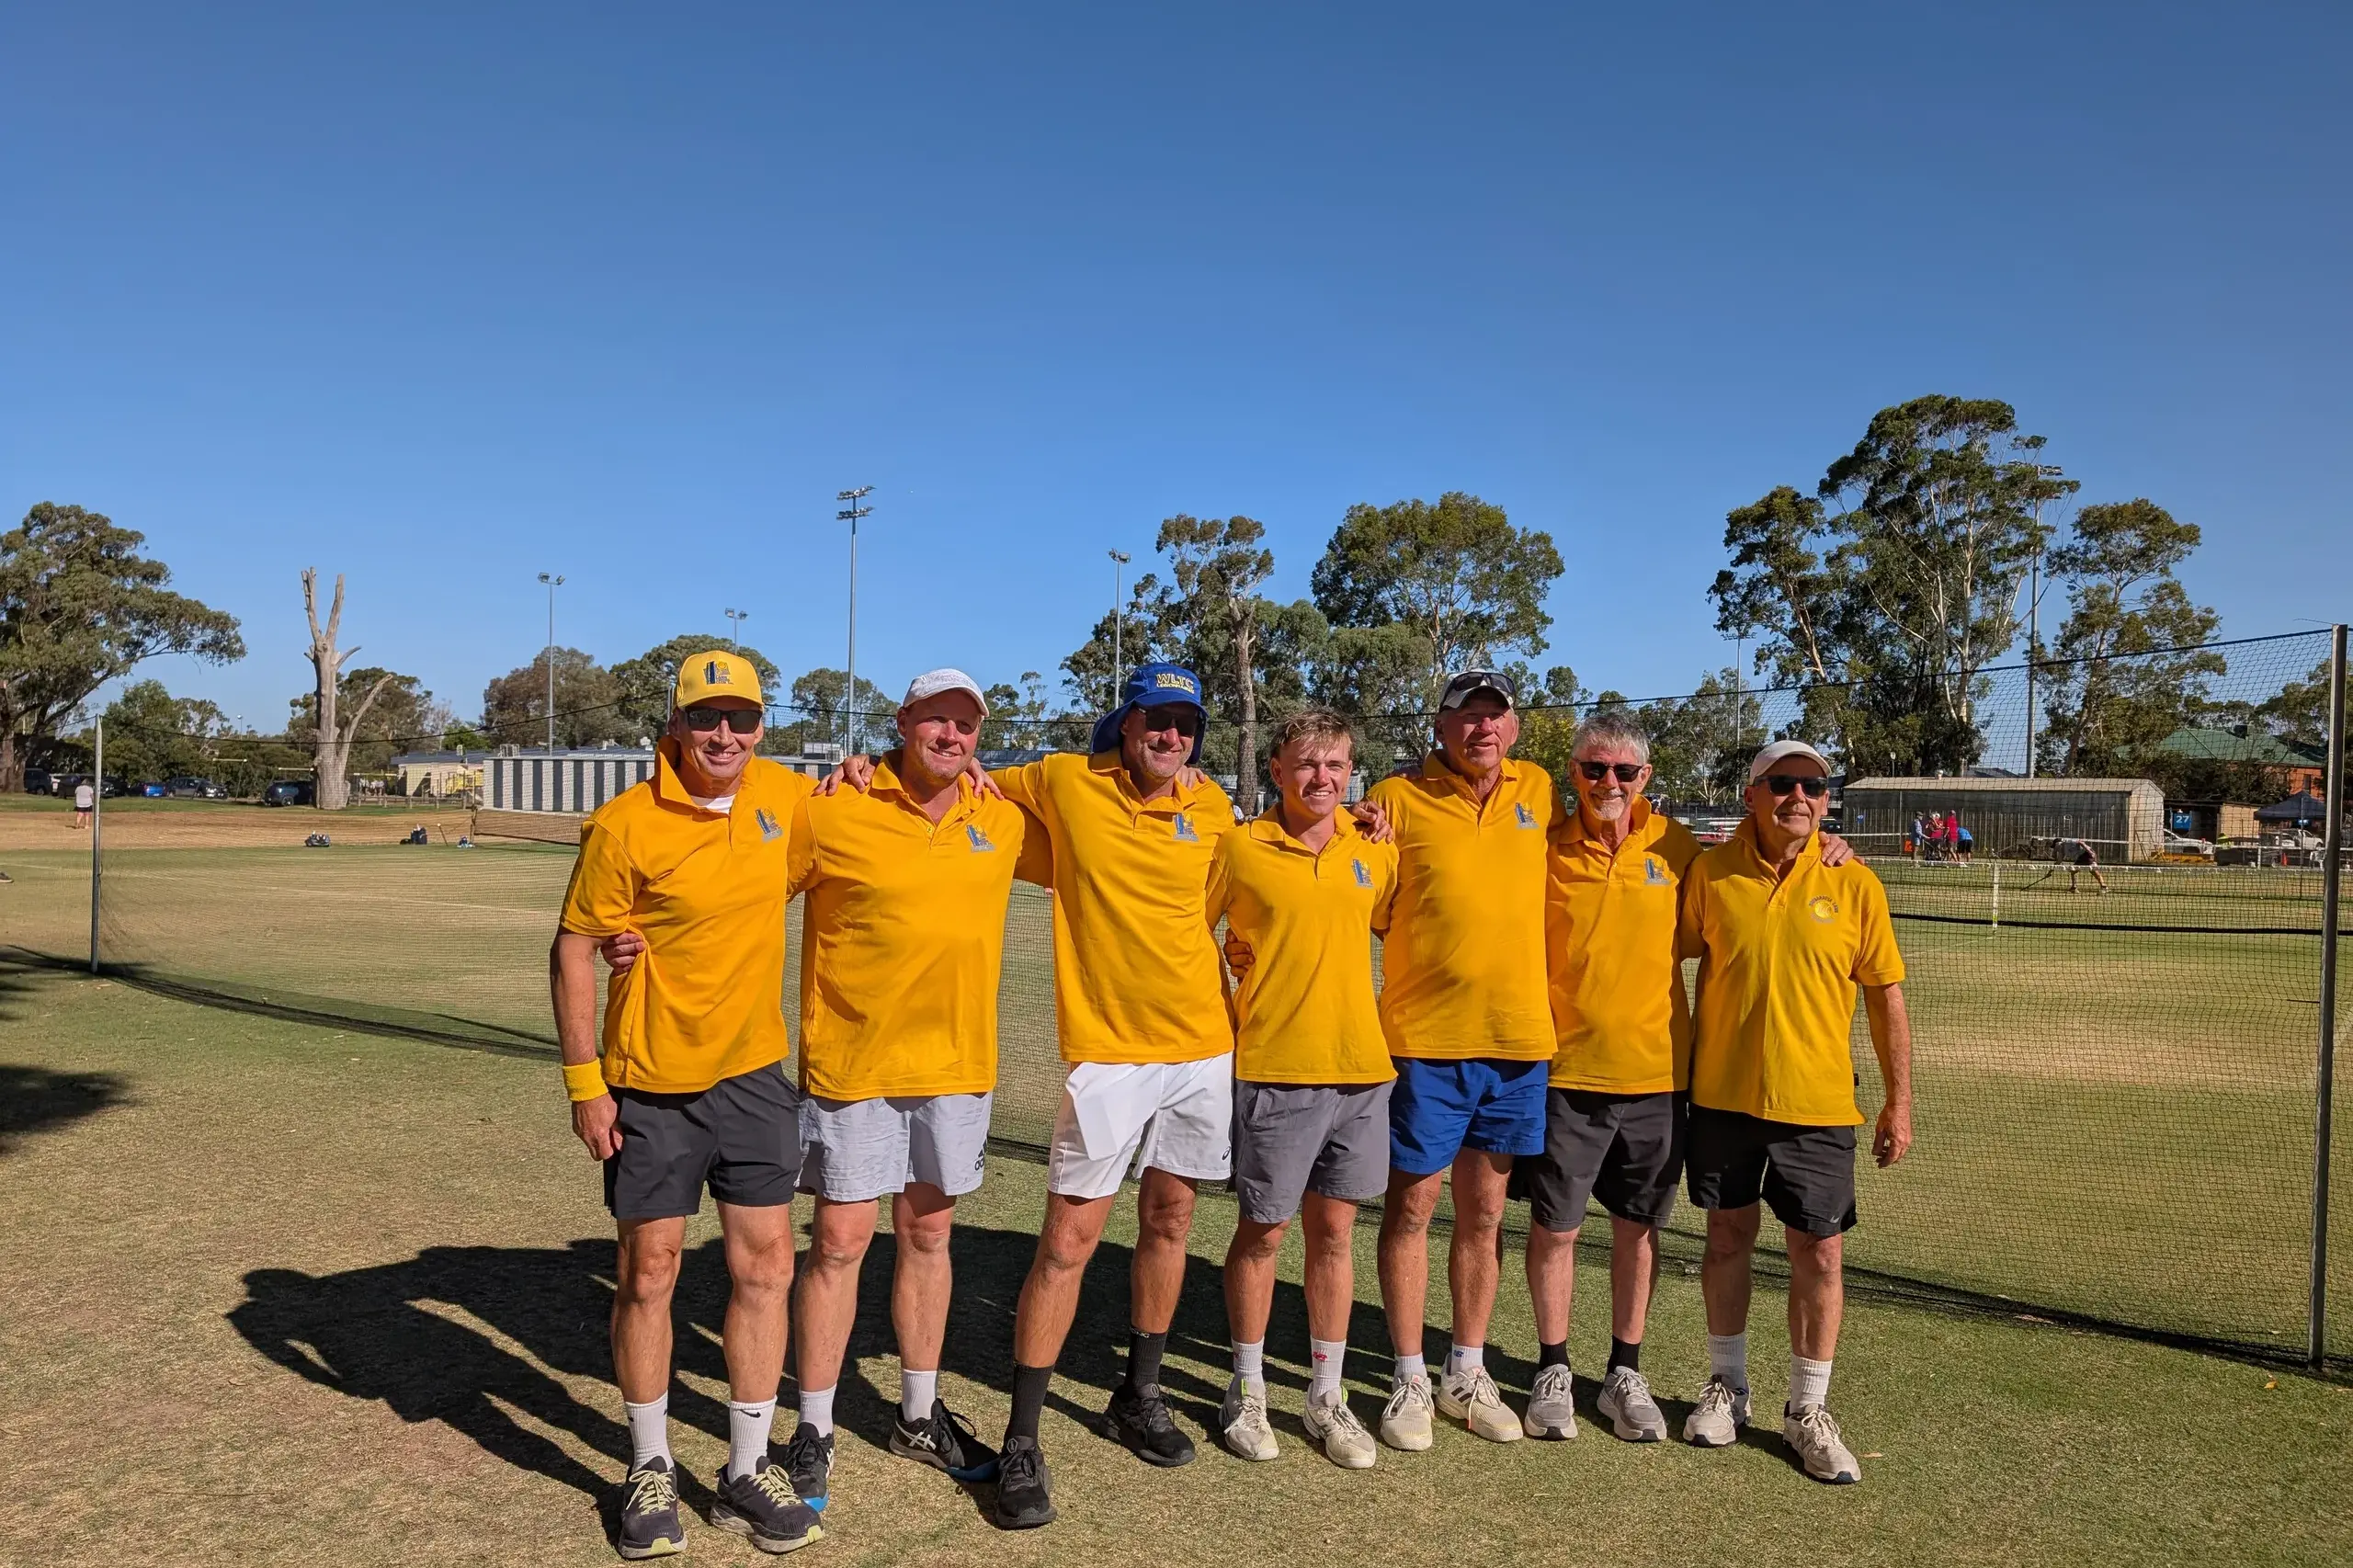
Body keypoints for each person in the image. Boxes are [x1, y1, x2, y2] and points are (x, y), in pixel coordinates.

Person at [604, 671, 1052, 1517]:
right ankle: (814, 1429)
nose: (950, 738)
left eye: (965, 725)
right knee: (839, 1243)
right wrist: (633, 937)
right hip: (853, 1067)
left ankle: (918, 1416)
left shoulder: (998, 812)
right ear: (903, 723)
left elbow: (1102, 844)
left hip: (958, 1067)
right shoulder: (830, 804)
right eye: (935, 722)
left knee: (930, 1236)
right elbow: (730, 887)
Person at [1228, 670, 1556, 1448]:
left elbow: (1367, 906)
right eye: (1465, 716)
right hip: (1417, 1046)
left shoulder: (1539, 791)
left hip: (1517, 1045)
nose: (1481, 729)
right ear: (1439, 728)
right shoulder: (1394, 806)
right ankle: (1407, 1375)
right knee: (1407, 1212)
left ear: (1511, 729)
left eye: (1494, 717)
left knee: (1481, 1215)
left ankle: (1465, 1373)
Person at [549, 651, 824, 1560]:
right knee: (650, 1270)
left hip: (752, 1076)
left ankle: (747, 1465)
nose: (724, 735)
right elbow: (575, 946)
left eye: (741, 717)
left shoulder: (786, 797)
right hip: (650, 1082)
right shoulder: (624, 824)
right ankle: (650, 1463)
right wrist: (586, 1082)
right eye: (707, 717)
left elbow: (851, 835)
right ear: (675, 724)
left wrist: (875, 770)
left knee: (764, 1266)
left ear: (760, 726)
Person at [986, 663, 1239, 1529]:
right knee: (1069, 1238)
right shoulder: (1061, 779)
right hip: (1107, 1058)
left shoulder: (1213, 807)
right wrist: (864, 767)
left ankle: (1137, 1394)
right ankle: (1022, 1439)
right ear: (1125, 725)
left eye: (1186, 724)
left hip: (1204, 1050)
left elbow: (1213, 906)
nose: (1173, 737)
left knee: (1170, 1220)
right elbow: (970, 778)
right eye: (1157, 720)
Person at [1676, 738, 1914, 1485]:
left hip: (1818, 1104)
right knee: (1726, 1237)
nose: (1799, 797)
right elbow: (1662, 962)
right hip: (1722, 1098)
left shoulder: (1855, 884)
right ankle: (1728, 1388)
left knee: (1821, 1251)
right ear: (1752, 793)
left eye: (1814, 786)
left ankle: (1807, 1409)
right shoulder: (1710, 873)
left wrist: (1898, 1102)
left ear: (1828, 800)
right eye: (1782, 784)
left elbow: (1885, 995)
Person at [1204, 710, 1398, 1470]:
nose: (1323, 778)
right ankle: (1246, 1391)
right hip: (1276, 1070)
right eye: (1307, 764)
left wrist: (1372, 821)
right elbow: (1195, 932)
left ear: (1351, 772)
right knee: (1265, 1232)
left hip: (1362, 1072)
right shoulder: (1240, 846)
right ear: (1277, 771)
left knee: (1335, 1236)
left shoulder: (1372, 849)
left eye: (1337, 765)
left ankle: (1326, 1395)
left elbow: (1395, 927)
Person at [1518, 710, 1699, 1444]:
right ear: (1575, 773)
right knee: (1555, 1229)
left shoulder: (1679, 848)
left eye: (1625, 771)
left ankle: (1624, 1371)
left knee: (1639, 1231)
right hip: (1566, 1077)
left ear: (1645, 778)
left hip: (1659, 1079)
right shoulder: (1541, 847)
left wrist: (1830, 845)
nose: (1609, 783)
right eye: (1595, 769)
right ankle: (1553, 1369)